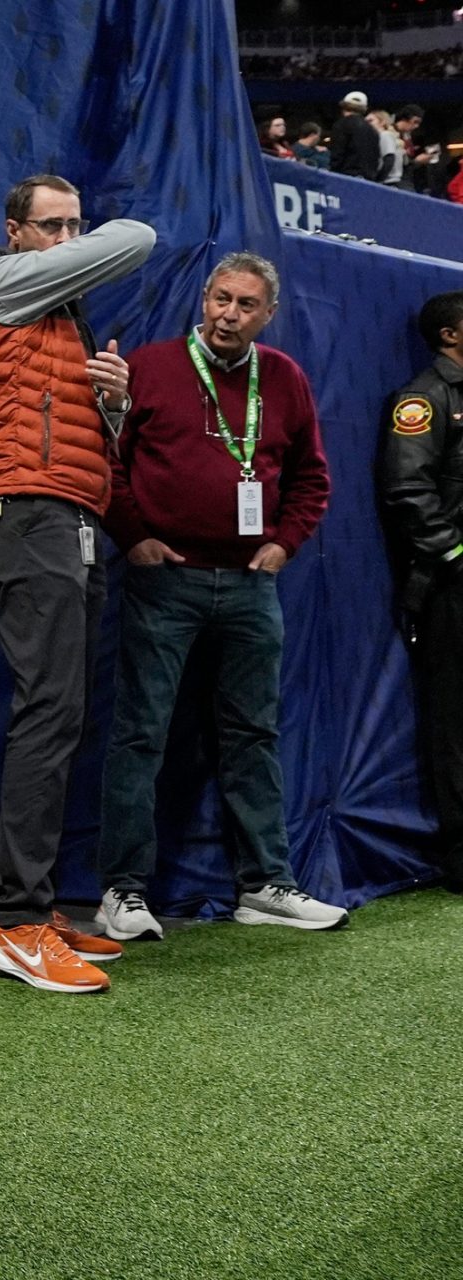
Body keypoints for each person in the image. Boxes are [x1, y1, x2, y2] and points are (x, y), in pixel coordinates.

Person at [96, 253, 345, 940]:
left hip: (249, 586)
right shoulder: (149, 366)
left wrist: (285, 543)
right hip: (162, 580)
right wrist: (133, 536)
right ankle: (122, 890)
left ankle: (266, 885)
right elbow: (106, 462)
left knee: (253, 737)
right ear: (203, 299)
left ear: (268, 315)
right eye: (220, 299)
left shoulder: (285, 378)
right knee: (141, 735)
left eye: (245, 305)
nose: (228, 315)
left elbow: (311, 479)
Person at [0, 174, 155, 994]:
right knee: (48, 714)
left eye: (76, 223)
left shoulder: (60, 316)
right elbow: (137, 238)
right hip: (24, 515)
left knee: (62, 714)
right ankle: (19, 921)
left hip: (67, 516)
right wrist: (94, 239)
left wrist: (113, 404)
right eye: (54, 224)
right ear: (13, 233)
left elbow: (69, 431)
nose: (69, 237)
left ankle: (33, 906)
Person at [378, 291, 463, 895]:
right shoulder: (425, 398)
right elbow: (408, 489)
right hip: (450, 587)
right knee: (455, 722)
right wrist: (458, 557)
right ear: (451, 335)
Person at [329, 91, 382, 181]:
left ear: (344, 106)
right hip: (368, 179)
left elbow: (337, 153)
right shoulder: (372, 130)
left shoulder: (341, 125)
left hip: (346, 178)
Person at [371, 108, 406, 186]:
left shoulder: (385, 135)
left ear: (382, 122)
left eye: (371, 121)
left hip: (388, 182)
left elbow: (389, 159)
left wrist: (378, 180)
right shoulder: (388, 136)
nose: (367, 124)